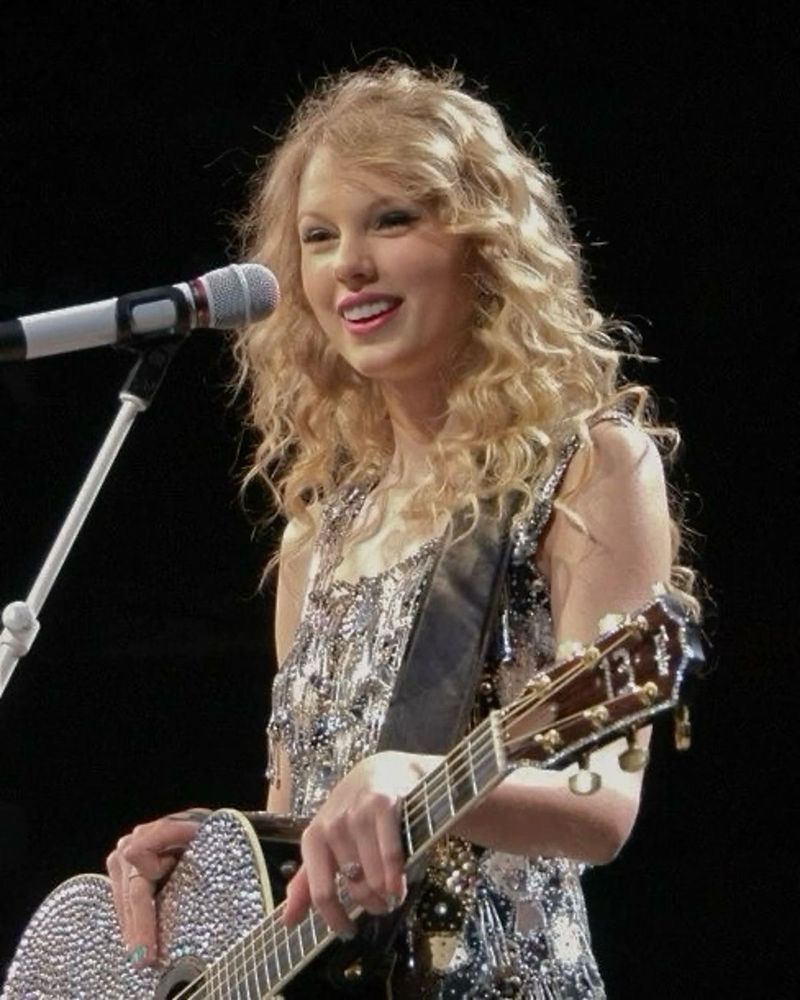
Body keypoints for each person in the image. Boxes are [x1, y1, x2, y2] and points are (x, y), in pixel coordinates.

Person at [105, 62, 698, 997]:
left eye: (392, 220)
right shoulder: (316, 541)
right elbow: (303, 866)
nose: (350, 264)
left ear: (484, 244)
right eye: (318, 237)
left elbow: (601, 803)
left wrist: (408, 778)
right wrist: (215, 863)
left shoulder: (590, 469)